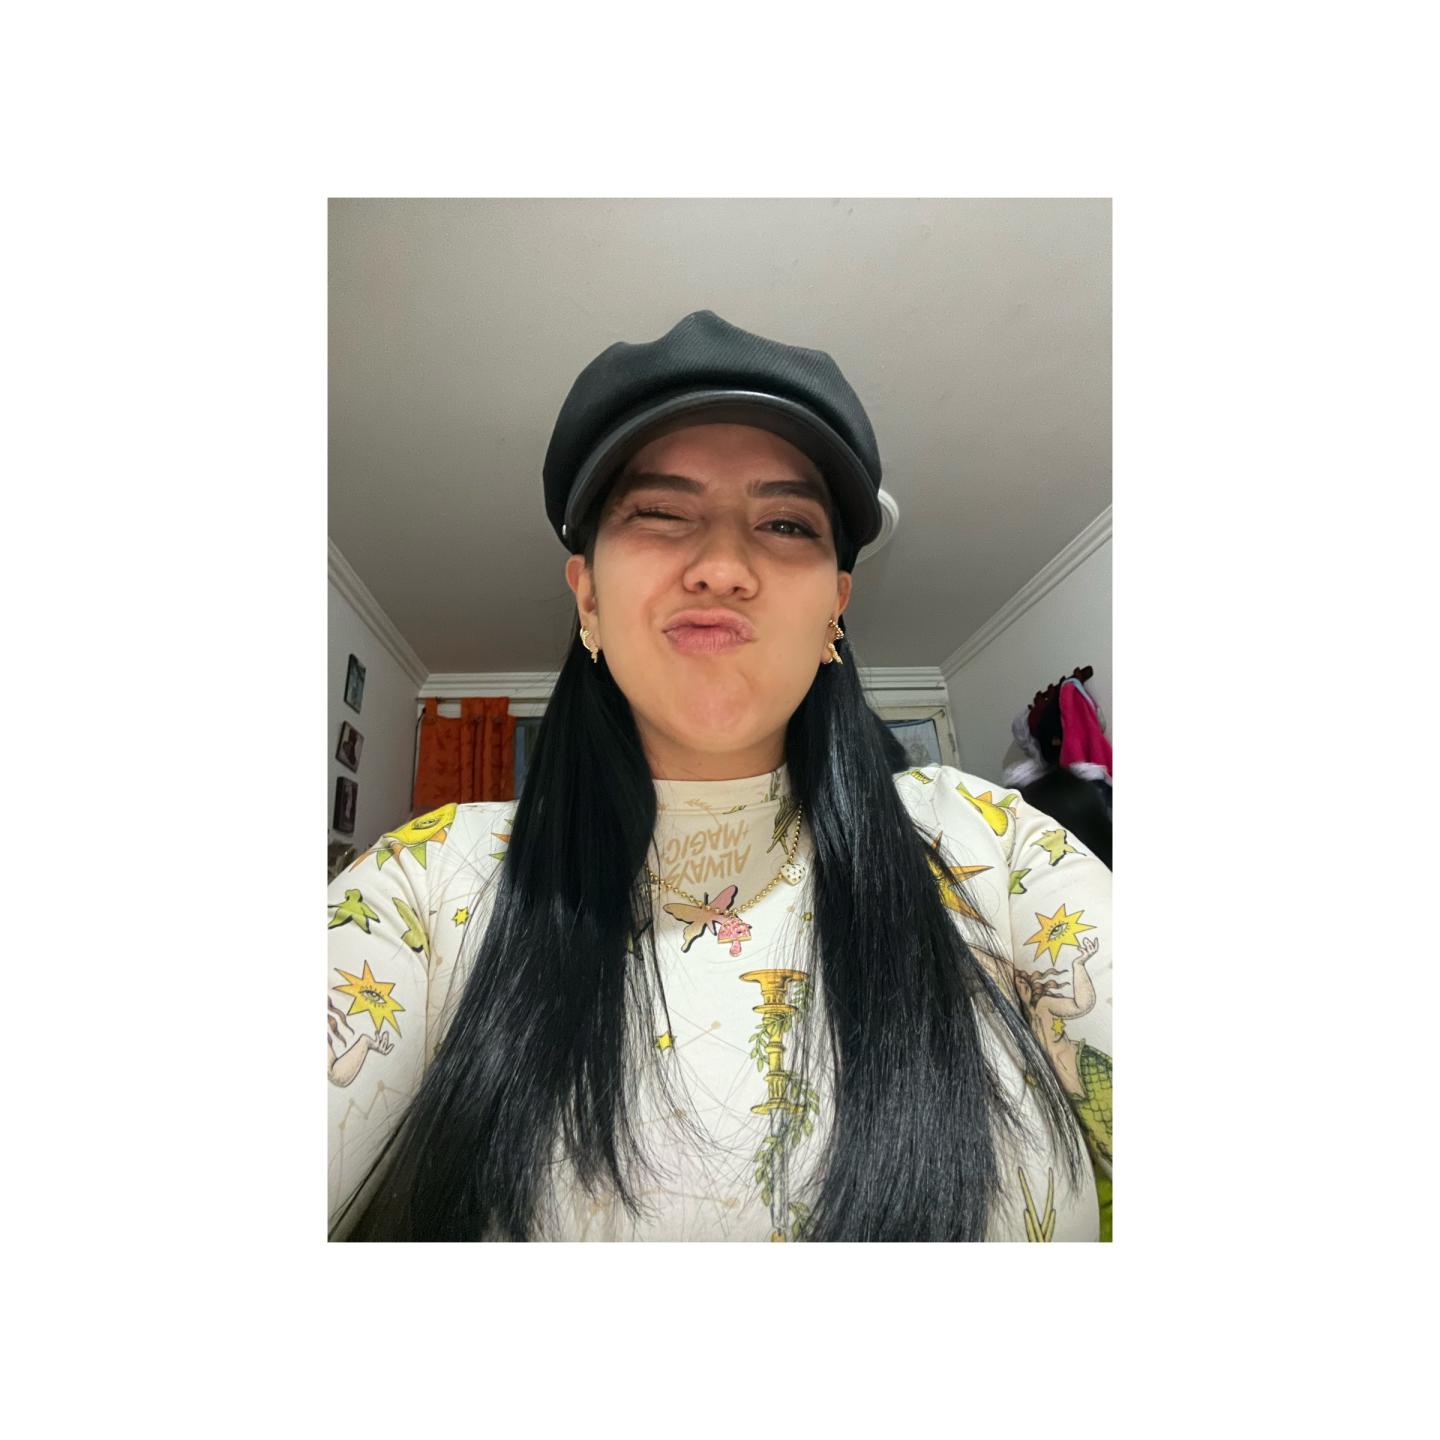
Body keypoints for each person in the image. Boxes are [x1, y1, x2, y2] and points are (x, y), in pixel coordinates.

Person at [326, 310, 1112, 1242]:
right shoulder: (428, 881)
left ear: (836, 606)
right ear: (587, 592)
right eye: (660, 513)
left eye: (785, 523)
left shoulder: (993, 842)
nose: (724, 567)